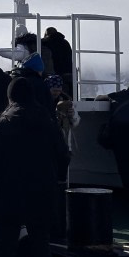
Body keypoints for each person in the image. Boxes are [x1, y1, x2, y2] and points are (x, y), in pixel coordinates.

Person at [0, 77, 70, 257]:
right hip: (42, 193)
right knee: (41, 248)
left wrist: (3, 177)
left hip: (10, 193)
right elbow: (63, 155)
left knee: (5, 249)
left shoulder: (2, 123)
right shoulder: (48, 121)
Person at [46, 73, 80, 240]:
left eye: (58, 88)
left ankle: (60, 222)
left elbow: (76, 122)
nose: (56, 92)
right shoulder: (43, 102)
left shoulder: (67, 103)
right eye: (53, 88)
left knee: (61, 184)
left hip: (63, 148)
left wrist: (71, 114)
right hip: (49, 149)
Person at [42, 27, 74, 97]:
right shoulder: (66, 43)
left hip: (55, 76)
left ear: (46, 34)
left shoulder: (46, 42)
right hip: (68, 74)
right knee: (68, 97)